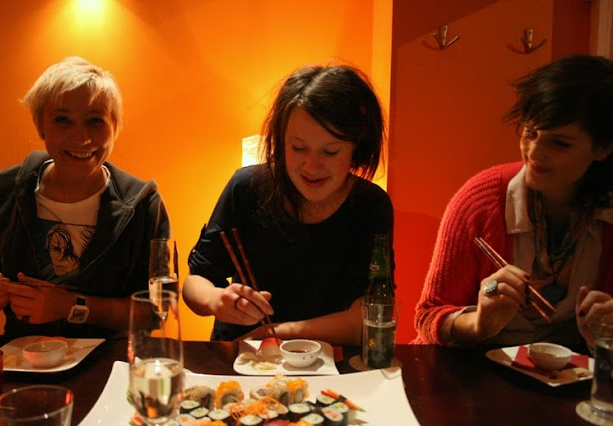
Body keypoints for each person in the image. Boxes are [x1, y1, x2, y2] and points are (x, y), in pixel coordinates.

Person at [182, 64, 393, 345]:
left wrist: (278, 333)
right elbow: (195, 282)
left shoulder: (370, 206)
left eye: (330, 151)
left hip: (326, 361)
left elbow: (367, 317)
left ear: (357, 147)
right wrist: (217, 300)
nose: (311, 166)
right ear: (281, 141)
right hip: (243, 357)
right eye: (298, 147)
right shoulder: (247, 187)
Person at [414, 55, 613, 348]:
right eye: (530, 132)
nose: (534, 152)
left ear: (603, 148)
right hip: (470, 368)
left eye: (560, 143)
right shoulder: (482, 201)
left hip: (569, 373)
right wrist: (480, 323)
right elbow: (428, 315)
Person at [0, 57, 170, 338]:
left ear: (115, 127)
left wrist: (72, 307)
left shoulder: (144, 206)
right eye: (62, 120)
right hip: (23, 356)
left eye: (95, 121)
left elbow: (156, 310)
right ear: (40, 125)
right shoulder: (0, 192)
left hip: (111, 361)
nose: (81, 137)